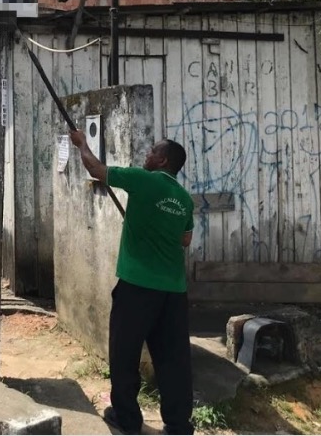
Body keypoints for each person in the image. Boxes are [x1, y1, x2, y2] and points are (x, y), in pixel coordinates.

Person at [69, 132, 195, 436]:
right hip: (174, 293)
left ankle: (127, 418)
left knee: (124, 355)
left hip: (137, 288)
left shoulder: (143, 180)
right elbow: (185, 240)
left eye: (151, 151)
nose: (146, 155)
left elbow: (96, 170)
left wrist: (81, 144)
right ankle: (178, 426)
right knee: (173, 361)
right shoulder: (184, 199)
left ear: (162, 160)